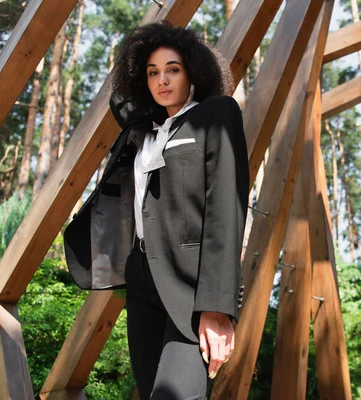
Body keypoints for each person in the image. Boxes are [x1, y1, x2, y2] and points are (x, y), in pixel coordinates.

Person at [63, 22, 249, 399]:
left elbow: (226, 210)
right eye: (152, 72)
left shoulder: (216, 114)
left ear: (194, 71)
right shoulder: (143, 133)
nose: (162, 80)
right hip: (142, 279)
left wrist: (218, 307)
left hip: (191, 287)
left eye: (173, 69)